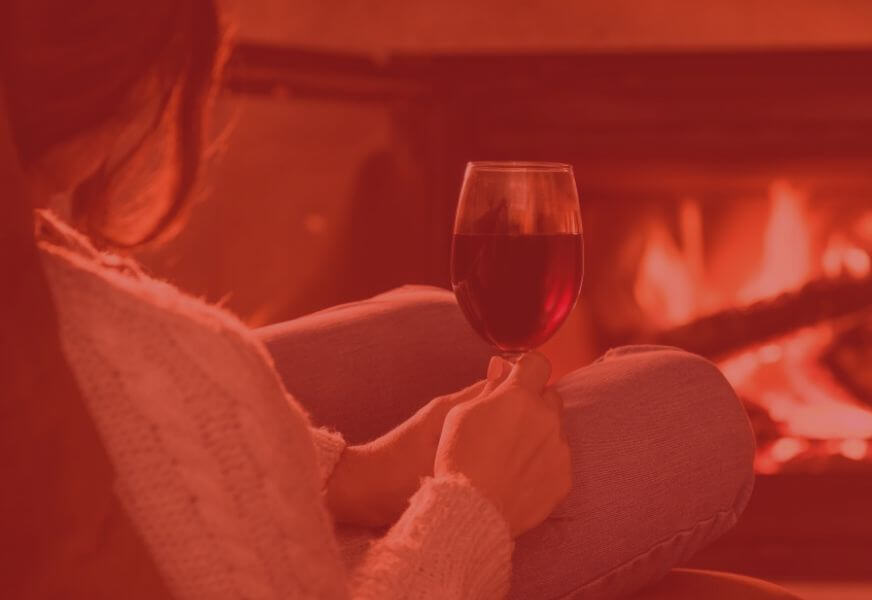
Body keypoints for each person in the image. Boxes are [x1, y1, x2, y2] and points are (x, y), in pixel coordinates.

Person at [0, 1, 771, 598]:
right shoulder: (164, 364)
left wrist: (348, 475)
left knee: (439, 334)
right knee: (685, 405)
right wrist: (473, 508)